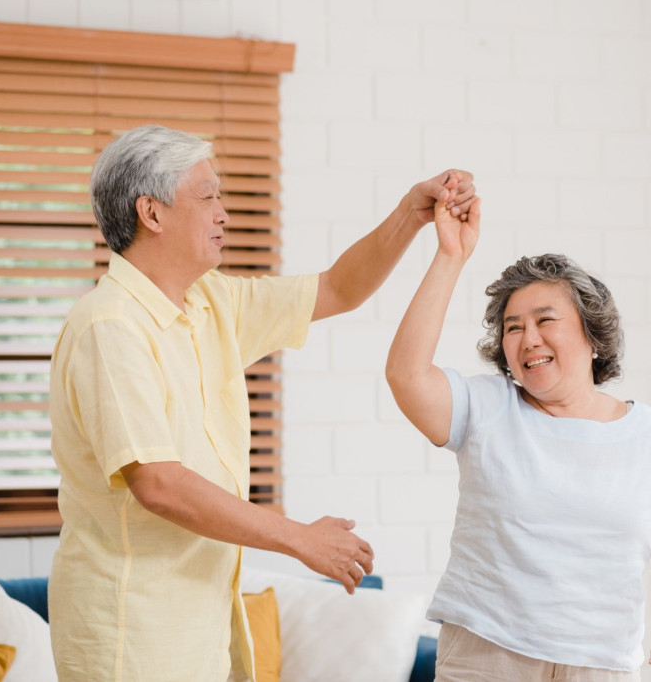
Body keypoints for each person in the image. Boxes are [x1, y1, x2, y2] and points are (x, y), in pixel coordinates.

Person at [48, 124, 478, 682]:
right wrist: (299, 538)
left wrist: (411, 215)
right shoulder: (109, 326)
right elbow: (157, 482)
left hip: (201, 628)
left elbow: (339, 288)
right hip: (131, 633)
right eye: (207, 197)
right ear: (151, 214)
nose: (223, 212)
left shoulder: (210, 301)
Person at [385, 200, 651, 682]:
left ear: (593, 335)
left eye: (545, 321)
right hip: (488, 654)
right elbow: (406, 374)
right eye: (513, 327)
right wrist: (450, 256)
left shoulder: (650, 438)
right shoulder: (488, 408)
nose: (528, 339)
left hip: (602, 664)